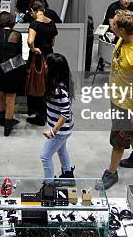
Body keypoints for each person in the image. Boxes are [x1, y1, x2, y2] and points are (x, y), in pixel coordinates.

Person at [97, 10, 133, 190]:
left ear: (121, 29)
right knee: (129, 128)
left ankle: (112, 173)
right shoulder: (126, 37)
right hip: (117, 96)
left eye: (114, 24)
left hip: (127, 103)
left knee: (118, 140)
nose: (111, 23)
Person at [40, 53, 75, 184]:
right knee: (61, 150)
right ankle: (68, 175)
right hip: (62, 129)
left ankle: (49, 184)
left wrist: (53, 131)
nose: (44, 65)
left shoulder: (59, 91)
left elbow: (65, 113)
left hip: (60, 131)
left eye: (47, 64)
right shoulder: (57, 85)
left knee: (45, 156)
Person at [0, 12, 24, 136]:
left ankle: (0, 118)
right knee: (10, 98)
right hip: (12, 69)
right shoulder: (17, 35)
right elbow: (19, 54)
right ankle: (8, 125)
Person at [27, 0, 59, 126]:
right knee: (47, 84)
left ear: (33, 11)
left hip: (38, 57)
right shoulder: (52, 23)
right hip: (49, 55)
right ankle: (47, 112)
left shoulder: (34, 24)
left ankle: (39, 115)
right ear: (44, 10)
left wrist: (34, 48)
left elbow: (30, 41)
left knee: (37, 84)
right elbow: (53, 42)